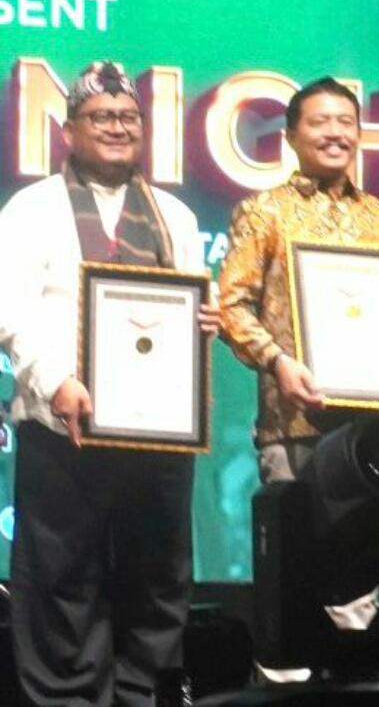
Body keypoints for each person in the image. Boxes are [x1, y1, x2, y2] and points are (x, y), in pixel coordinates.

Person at [0, 61, 219, 706]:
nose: (117, 127)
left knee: (158, 578)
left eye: (128, 117)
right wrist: (55, 381)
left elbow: (179, 312)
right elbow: (9, 310)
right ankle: (68, 699)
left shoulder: (175, 216)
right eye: (101, 117)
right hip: (62, 421)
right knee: (62, 579)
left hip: (158, 431)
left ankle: (142, 694)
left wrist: (203, 322)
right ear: (70, 130)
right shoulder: (32, 209)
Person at [218, 76, 379, 485]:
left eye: (346, 122)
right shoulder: (264, 212)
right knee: (296, 526)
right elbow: (229, 307)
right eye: (319, 122)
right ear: (290, 136)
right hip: (293, 423)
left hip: (375, 423)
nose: (335, 133)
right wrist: (278, 362)